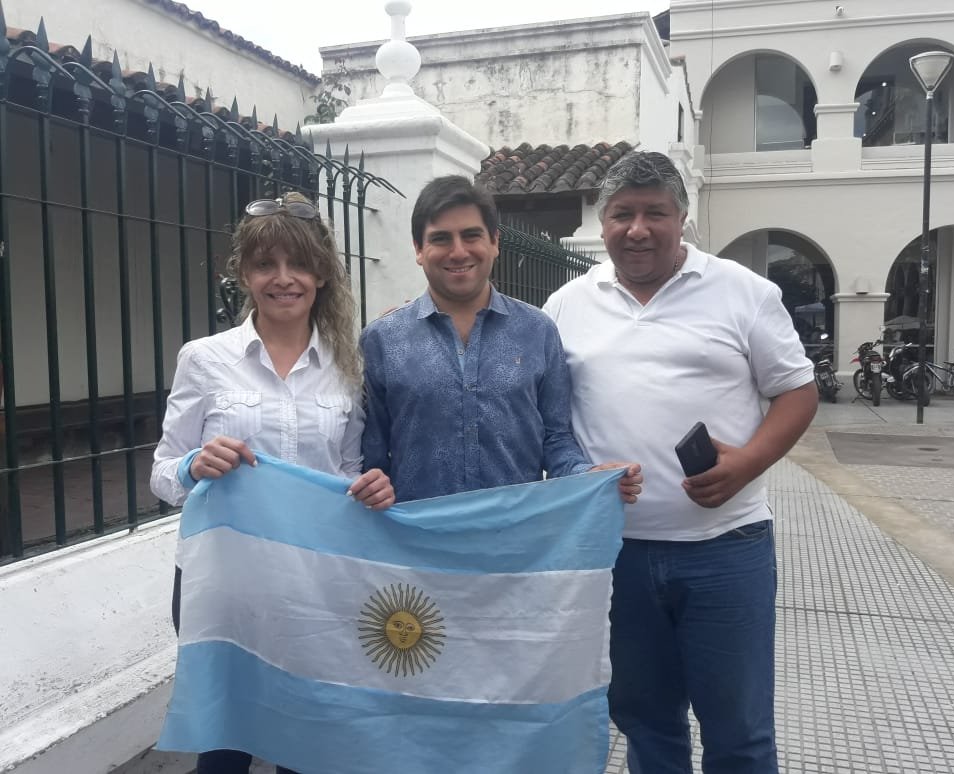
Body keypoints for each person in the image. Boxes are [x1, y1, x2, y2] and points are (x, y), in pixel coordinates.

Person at [543, 152, 818, 774]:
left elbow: (797, 391)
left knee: (739, 730)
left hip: (726, 548)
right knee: (645, 723)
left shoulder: (744, 292)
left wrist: (748, 463)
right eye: (622, 215)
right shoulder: (566, 305)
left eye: (655, 214)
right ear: (603, 223)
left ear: (682, 218)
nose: (637, 229)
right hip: (616, 554)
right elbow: (551, 420)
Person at [151, 191, 394, 774]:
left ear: (322, 274)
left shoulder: (348, 368)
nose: (283, 278)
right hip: (224, 580)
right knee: (224, 743)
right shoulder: (204, 359)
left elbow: (346, 472)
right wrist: (193, 465)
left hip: (315, 578)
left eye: (299, 263)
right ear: (243, 273)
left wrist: (371, 488)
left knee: (306, 741)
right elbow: (163, 472)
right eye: (265, 264)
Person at [359, 174, 642, 504]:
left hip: (517, 531)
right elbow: (370, 455)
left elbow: (556, 441)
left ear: (494, 241)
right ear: (419, 249)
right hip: (416, 534)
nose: (458, 252)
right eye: (441, 239)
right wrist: (372, 486)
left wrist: (589, 476)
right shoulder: (383, 340)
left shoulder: (538, 332)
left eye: (471, 235)